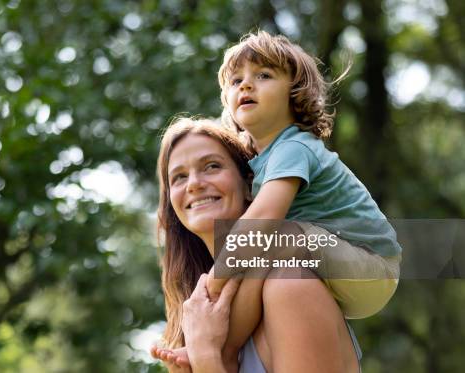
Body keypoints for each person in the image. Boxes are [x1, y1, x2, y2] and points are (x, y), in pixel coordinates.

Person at [187, 30, 399, 370]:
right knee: (260, 254)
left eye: (263, 75)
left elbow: (263, 219)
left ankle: (223, 346)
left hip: (371, 265)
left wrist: (212, 283)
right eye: (235, 80)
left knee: (269, 237)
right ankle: (222, 344)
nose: (246, 85)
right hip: (341, 264)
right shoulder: (262, 160)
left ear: (295, 93)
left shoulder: (293, 147)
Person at [151, 117, 361, 372]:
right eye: (179, 177)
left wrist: (206, 356)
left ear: (250, 185)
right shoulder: (199, 324)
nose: (194, 183)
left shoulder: (290, 285)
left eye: (212, 166)